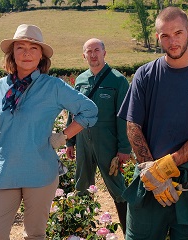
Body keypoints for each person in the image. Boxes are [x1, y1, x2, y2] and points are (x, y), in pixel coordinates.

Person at [0, 24, 98, 240]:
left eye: (33, 48)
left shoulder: (52, 86)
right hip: (5, 172)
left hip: (40, 172)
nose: (26, 53)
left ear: (41, 55)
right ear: (12, 53)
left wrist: (63, 136)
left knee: (34, 235)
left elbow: (89, 110)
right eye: (20, 47)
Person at [117, 7, 188, 240]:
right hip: (147, 181)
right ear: (158, 38)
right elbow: (133, 125)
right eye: (165, 36)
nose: (172, 41)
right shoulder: (145, 74)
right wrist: (152, 174)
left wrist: (165, 168)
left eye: (178, 33)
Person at [66, 38, 132, 234]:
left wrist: (124, 148)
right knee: (82, 185)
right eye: (89, 51)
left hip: (108, 142)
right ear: (84, 55)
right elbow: (73, 111)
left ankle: (130, 232)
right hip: (83, 141)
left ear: (105, 53)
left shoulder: (117, 80)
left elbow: (124, 117)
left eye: (97, 50)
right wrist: (69, 141)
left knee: (117, 188)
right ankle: (83, 232)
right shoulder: (80, 80)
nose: (93, 54)